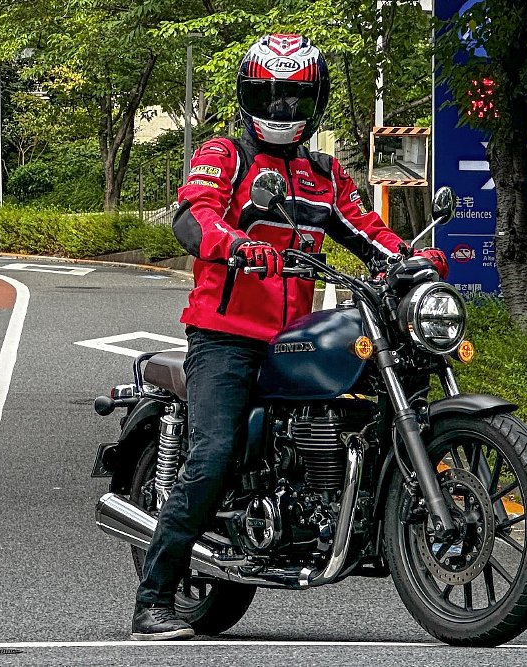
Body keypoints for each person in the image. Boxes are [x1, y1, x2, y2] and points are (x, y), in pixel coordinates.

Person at [130, 33, 449, 641]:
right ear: (249, 94)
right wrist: (237, 245)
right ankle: (155, 597)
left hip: (293, 335)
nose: (281, 110)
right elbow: (192, 216)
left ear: (315, 99)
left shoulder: (322, 173)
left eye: (294, 97)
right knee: (215, 452)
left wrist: (410, 259)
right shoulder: (223, 155)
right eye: (270, 96)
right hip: (225, 335)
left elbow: (364, 228)